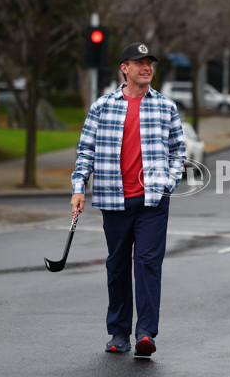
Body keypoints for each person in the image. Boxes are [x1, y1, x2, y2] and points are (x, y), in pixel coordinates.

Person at [70, 42, 186, 355]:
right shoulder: (102, 106)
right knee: (118, 266)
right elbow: (86, 151)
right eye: (139, 62)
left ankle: (146, 332)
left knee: (148, 264)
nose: (146, 67)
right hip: (114, 200)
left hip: (152, 202)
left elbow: (179, 151)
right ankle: (118, 333)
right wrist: (79, 187)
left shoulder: (166, 107)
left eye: (150, 63)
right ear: (125, 68)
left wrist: (168, 183)